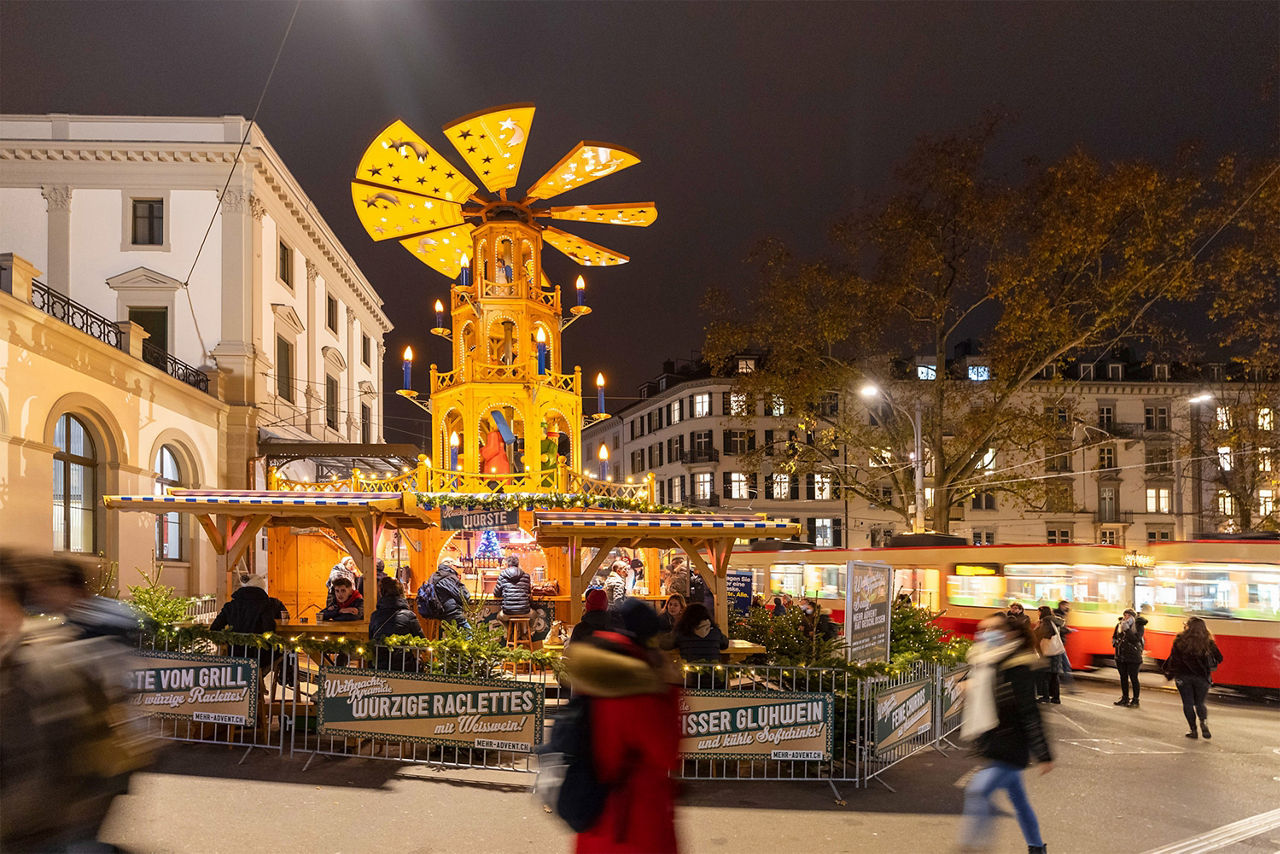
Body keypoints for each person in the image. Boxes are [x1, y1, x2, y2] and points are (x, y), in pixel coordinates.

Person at [564, 598, 680, 853]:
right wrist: (671, 691)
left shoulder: (595, 670)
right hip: (635, 820)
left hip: (595, 813)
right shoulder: (640, 689)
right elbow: (666, 752)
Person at [959, 614, 1053, 854]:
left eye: (991, 629)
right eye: (982, 630)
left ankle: (974, 849)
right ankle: (1036, 848)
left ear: (1008, 634)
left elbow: (1030, 711)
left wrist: (1043, 753)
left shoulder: (1018, 667)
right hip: (994, 741)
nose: (984, 635)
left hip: (1011, 744)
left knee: (978, 790)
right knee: (1019, 801)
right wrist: (970, 686)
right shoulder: (988, 661)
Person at [1161, 616, 1224, 739]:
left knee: (1188, 703)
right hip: (1202, 677)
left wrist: (1169, 673)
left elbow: (1174, 659)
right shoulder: (1207, 641)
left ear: (1188, 626)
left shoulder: (1179, 640)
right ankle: (1204, 723)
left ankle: (1193, 730)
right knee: (1200, 703)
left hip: (1183, 677)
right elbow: (1220, 658)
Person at [369, 575, 424, 671]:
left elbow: (371, 638)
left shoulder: (375, 616)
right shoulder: (409, 615)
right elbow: (422, 642)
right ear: (401, 593)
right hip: (404, 666)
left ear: (381, 593)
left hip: (379, 665)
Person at [211, 573, 289, 634]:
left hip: (234, 651)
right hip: (261, 651)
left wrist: (228, 640)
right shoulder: (270, 604)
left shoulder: (230, 606)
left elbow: (215, 628)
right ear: (262, 587)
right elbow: (270, 628)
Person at [662, 602, 729, 664]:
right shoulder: (715, 632)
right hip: (713, 674)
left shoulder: (682, 632)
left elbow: (665, 644)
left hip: (690, 674)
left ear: (686, 616)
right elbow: (725, 644)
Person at [1112, 607, 1146, 707]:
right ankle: (1125, 698)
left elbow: (1135, 639)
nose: (1126, 617)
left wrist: (1127, 629)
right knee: (1123, 678)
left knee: (1134, 678)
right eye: (1125, 615)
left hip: (1133, 657)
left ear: (1133, 617)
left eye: (1128, 615)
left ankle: (1136, 700)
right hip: (1121, 656)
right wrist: (1114, 642)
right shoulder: (1119, 625)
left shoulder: (1138, 626)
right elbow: (1115, 636)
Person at [425, 559, 471, 629]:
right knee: (469, 635)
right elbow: (463, 595)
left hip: (438, 611)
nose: (458, 569)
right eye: (457, 567)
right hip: (451, 612)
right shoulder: (448, 577)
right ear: (451, 566)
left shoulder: (435, 575)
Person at [1033, 606, 1063, 704]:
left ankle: (1046, 696)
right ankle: (1056, 697)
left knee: (1044, 675)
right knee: (1054, 675)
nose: (1038, 613)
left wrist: (1036, 629)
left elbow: (1046, 634)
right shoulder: (1055, 620)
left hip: (1048, 652)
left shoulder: (1045, 621)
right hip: (1056, 651)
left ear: (1042, 612)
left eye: (1038, 611)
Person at [493, 555, 533, 622]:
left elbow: (496, 594)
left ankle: (508, 632)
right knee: (534, 615)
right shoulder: (526, 576)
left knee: (499, 617)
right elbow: (528, 591)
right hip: (524, 611)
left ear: (508, 564)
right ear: (518, 564)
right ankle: (528, 632)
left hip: (508, 611)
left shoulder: (502, 576)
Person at [1052, 601, 1076, 693]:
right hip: (1058, 644)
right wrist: (1068, 630)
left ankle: (1066, 687)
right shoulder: (1058, 615)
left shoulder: (1060, 614)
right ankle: (1070, 688)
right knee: (1066, 665)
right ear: (1061, 606)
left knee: (1061, 666)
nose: (1067, 608)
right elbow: (1060, 629)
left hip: (1059, 643)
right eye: (1066, 606)